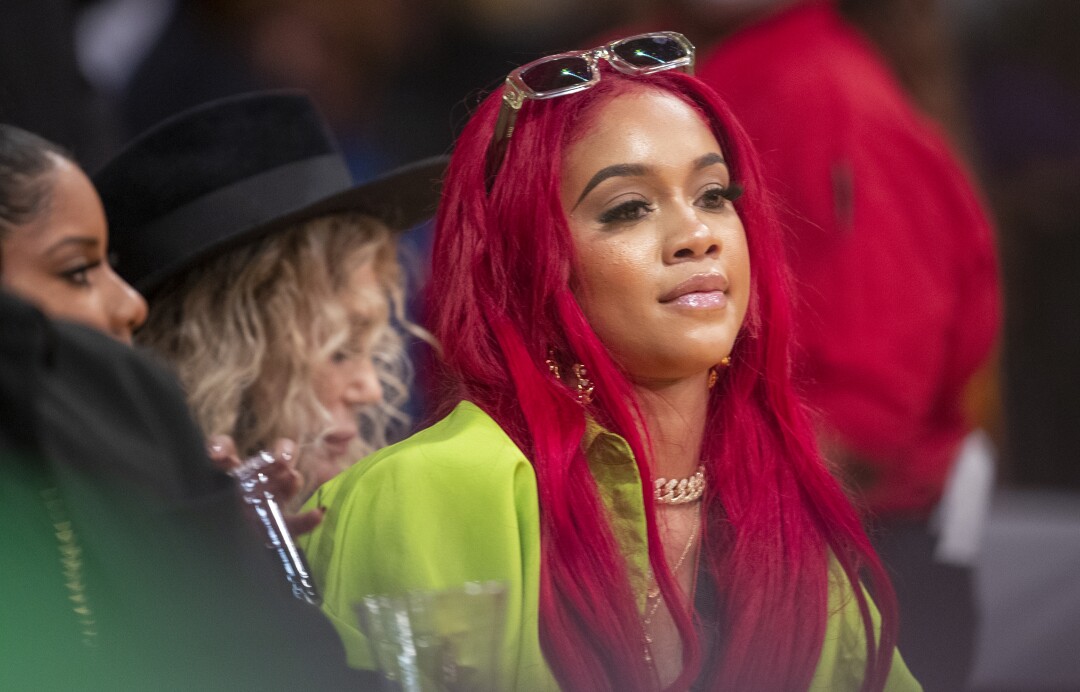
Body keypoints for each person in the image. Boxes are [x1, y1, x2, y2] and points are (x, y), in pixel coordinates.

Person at [300, 33, 920, 690]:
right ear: (534, 264)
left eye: (713, 194)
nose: (697, 235)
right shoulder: (423, 495)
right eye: (628, 209)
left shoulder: (787, 516)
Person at [681, 4, 1000, 690]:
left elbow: (866, 405)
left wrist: (683, 544)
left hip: (834, 560)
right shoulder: (730, 68)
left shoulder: (812, 87)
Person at [94, 91, 446, 506]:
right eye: (338, 351)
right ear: (222, 352)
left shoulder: (352, 519)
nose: (370, 389)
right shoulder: (121, 520)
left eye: (370, 348)